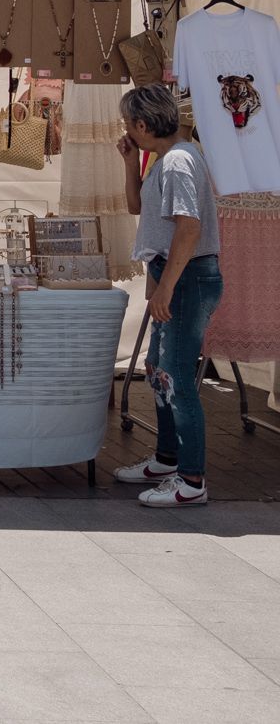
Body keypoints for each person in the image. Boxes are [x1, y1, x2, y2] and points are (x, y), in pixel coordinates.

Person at [115, 83, 225, 508]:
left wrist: (167, 286)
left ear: (142, 124)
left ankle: (191, 479)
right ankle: (167, 458)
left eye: (130, 125)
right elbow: (136, 207)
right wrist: (129, 162)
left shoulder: (178, 162)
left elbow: (189, 227)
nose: (128, 131)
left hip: (187, 276)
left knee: (177, 374)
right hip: (178, 273)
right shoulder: (166, 159)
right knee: (159, 367)